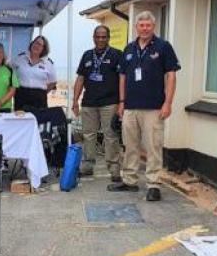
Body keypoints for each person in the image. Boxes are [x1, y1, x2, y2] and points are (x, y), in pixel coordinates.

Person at [110, 11, 180, 202]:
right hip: (130, 107)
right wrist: (122, 103)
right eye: (141, 25)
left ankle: (154, 184)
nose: (145, 28)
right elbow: (122, 77)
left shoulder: (163, 47)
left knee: (153, 147)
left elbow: (172, 76)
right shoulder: (129, 49)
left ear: (153, 26)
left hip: (154, 108)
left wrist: (168, 103)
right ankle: (130, 180)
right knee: (130, 145)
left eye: (148, 25)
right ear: (136, 27)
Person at [72, 25, 122, 182]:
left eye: (104, 37)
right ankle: (87, 166)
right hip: (89, 102)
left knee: (110, 135)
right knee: (88, 135)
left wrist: (122, 102)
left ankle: (114, 169)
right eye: (98, 37)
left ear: (108, 38)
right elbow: (80, 79)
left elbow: (122, 79)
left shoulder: (116, 55)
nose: (101, 39)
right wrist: (75, 100)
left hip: (110, 102)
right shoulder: (87, 55)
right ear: (93, 37)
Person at [13, 35, 57, 110]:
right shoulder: (20, 58)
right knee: (20, 120)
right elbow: (12, 74)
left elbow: (53, 82)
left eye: (40, 45)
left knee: (39, 120)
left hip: (39, 98)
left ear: (44, 49)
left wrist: (41, 92)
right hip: (21, 95)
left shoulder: (48, 63)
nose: (36, 46)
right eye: (35, 43)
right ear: (32, 44)